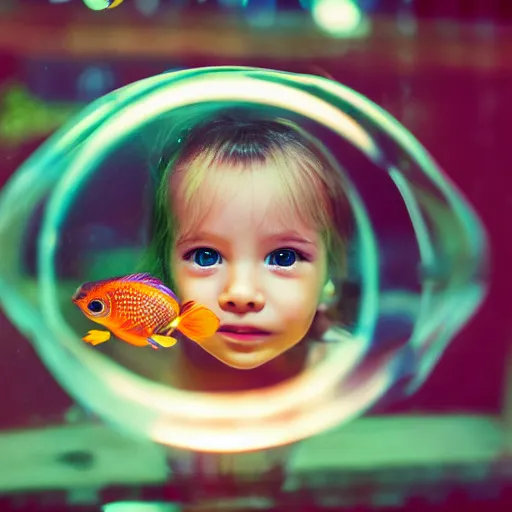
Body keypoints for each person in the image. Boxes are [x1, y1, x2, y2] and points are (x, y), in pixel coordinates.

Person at [136, 108, 353, 392]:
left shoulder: (351, 372)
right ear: (166, 275)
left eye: (283, 257)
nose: (241, 294)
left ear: (330, 276)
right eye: (206, 256)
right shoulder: (137, 372)